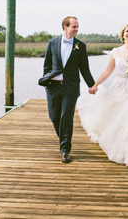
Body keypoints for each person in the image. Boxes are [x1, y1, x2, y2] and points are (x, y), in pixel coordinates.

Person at [77, 24, 128, 167]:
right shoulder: (116, 52)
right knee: (118, 118)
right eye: (127, 31)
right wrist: (95, 84)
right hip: (119, 86)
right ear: (123, 35)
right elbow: (108, 71)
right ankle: (117, 143)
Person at [39, 16, 96, 163]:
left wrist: (92, 84)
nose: (77, 29)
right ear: (65, 27)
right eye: (74, 27)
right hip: (53, 87)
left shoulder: (80, 46)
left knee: (66, 117)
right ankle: (63, 140)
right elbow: (47, 65)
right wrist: (46, 82)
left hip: (70, 88)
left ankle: (65, 149)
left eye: (77, 27)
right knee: (54, 117)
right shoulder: (52, 42)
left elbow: (84, 68)